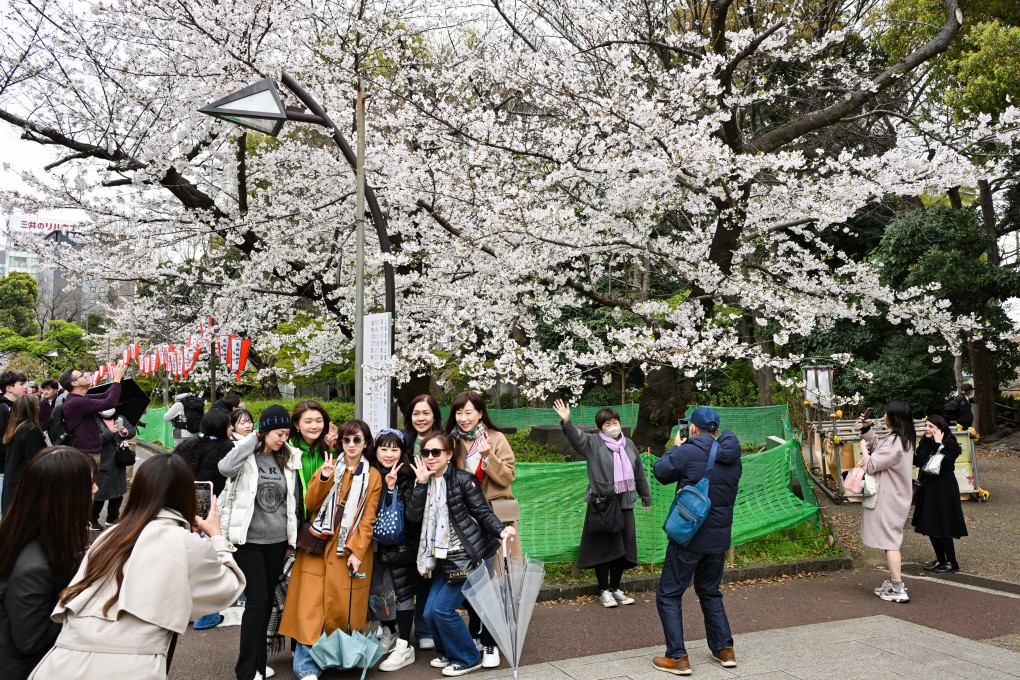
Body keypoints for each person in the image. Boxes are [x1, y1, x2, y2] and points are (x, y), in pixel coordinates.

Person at [28, 452, 246, 680]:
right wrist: (217, 537)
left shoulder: (109, 535)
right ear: (185, 494)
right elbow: (228, 588)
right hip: (129, 667)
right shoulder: (184, 542)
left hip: (61, 662)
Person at [279, 419, 382, 680]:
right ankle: (306, 666)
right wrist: (324, 477)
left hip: (347, 550)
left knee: (340, 609)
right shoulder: (330, 466)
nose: (350, 445)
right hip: (318, 545)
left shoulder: (373, 476)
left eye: (356, 439)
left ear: (366, 443)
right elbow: (311, 503)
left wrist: (357, 552)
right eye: (345, 439)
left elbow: (368, 518)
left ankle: (337, 659)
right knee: (309, 608)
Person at [408, 431, 516, 677]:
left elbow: (481, 511)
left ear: (448, 455)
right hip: (440, 557)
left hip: (467, 555)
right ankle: (447, 651)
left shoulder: (463, 480)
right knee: (428, 612)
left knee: (442, 610)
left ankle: (468, 657)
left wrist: (500, 530)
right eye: (426, 452)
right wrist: (421, 484)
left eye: (436, 452)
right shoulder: (423, 480)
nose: (430, 457)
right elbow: (413, 517)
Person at [652, 407, 743, 675]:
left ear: (692, 428)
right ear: (715, 429)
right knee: (710, 591)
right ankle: (724, 649)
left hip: (689, 538)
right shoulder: (733, 457)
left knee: (668, 594)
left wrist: (674, 448)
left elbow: (660, 472)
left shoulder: (687, 451)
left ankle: (677, 656)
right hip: (718, 539)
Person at [218, 406, 303, 680]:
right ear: (264, 431)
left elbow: (292, 502)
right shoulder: (246, 455)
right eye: (279, 433)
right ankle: (245, 670)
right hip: (249, 541)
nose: (283, 439)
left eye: (287, 434)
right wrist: (252, 440)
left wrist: (291, 540)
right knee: (258, 600)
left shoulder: (289, 458)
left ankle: (257, 663)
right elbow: (225, 468)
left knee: (266, 604)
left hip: (277, 542)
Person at [0, 447, 95, 680]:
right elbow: (32, 641)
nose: (96, 489)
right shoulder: (34, 568)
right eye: (89, 483)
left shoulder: (42, 535)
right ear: (65, 496)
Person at [552, 399, 652, 607]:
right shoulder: (594, 443)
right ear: (600, 428)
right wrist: (567, 421)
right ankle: (603, 590)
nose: (612, 426)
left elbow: (639, 473)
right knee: (604, 548)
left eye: (614, 421)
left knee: (623, 548)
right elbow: (577, 438)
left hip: (625, 504)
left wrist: (646, 497)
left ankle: (616, 588)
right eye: (607, 424)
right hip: (603, 505)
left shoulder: (629, 444)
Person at [446, 391, 517, 667]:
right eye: (459, 413)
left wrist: (489, 458)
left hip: (494, 519)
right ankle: (476, 630)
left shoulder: (496, 439)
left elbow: (508, 476)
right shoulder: (452, 441)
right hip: (464, 523)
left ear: (480, 413)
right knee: (468, 581)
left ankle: (490, 643)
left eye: (469, 412)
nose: (463, 418)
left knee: (494, 580)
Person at [370, 428, 423, 672]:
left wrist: (393, 489)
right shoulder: (369, 472)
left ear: (402, 452)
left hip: (402, 544)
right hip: (374, 545)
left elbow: (413, 513)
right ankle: (388, 632)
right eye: (384, 448)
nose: (389, 454)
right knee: (379, 590)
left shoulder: (408, 474)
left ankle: (404, 645)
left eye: (395, 449)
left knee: (402, 591)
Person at [859, 401, 915, 603]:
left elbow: (872, 464)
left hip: (889, 497)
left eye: (886, 414)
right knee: (890, 539)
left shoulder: (896, 442)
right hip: (896, 496)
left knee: (891, 542)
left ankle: (898, 587)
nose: (884, 416)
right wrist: (866, 430)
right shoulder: (902, 438)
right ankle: (894, 583)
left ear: (894, 417)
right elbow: (879, 447)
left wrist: (863, 449)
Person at [400, 394, 442, 651]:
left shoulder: (442, 442)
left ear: (435, 416)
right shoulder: (402, 441)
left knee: (430, 571)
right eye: (416, 413)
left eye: (426, 413)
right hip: (406, 514)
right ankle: (396, 627)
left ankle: (425, 628)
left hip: (435, 516)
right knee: (405, 573)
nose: (421, 418)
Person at [912, 415, 968, 573]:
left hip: (944, 489)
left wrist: (938, 445)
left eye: (930, 426)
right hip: (928, 487)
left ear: (940, 428)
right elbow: (920, 461)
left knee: (943, 525)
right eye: (926, 425)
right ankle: (941, 559)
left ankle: (952, 562)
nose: (926, 429)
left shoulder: (950, 444)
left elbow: (944, 463)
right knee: (931, 525)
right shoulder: (925, 442)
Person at [58, 363, 127, 456]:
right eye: (81, 375)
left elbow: (105, 395)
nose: (85, 375)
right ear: (74, 383)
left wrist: (120, 378)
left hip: (87, 451)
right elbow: (110, 402)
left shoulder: (79, 398)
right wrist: (116, 380)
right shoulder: (76, 402)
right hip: (85, 453)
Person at [290, 400, 339, 513]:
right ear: (297, 424)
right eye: (308, 422)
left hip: (325, 518)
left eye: (319, 421)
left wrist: (335, 448)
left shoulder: (331, 447)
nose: (314, 426)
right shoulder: (288, 449)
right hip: (296, 517)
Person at [2, 395, 48, 513]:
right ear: (33, 409)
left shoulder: (14, 428)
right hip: (23, 487)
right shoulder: (31, 430)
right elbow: (36, 462)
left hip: (12, 483)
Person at [93, 407, 136, 528]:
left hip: (118, 461)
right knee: (99, 494)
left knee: (118, 493)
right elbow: (94, 441)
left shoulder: (120, 417)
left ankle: (112, 518)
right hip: (102, 462)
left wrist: (126, 432)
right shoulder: (93, 420)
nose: (108, 409)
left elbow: (132, 430)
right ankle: (93, 519)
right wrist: (109, 432)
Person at [0, 370, 29, 511]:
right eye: (21, 384)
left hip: (15, 467)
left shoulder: (18, 407)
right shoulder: (3, 408)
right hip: (4, 468)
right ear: (9, 388)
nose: (25, 387)